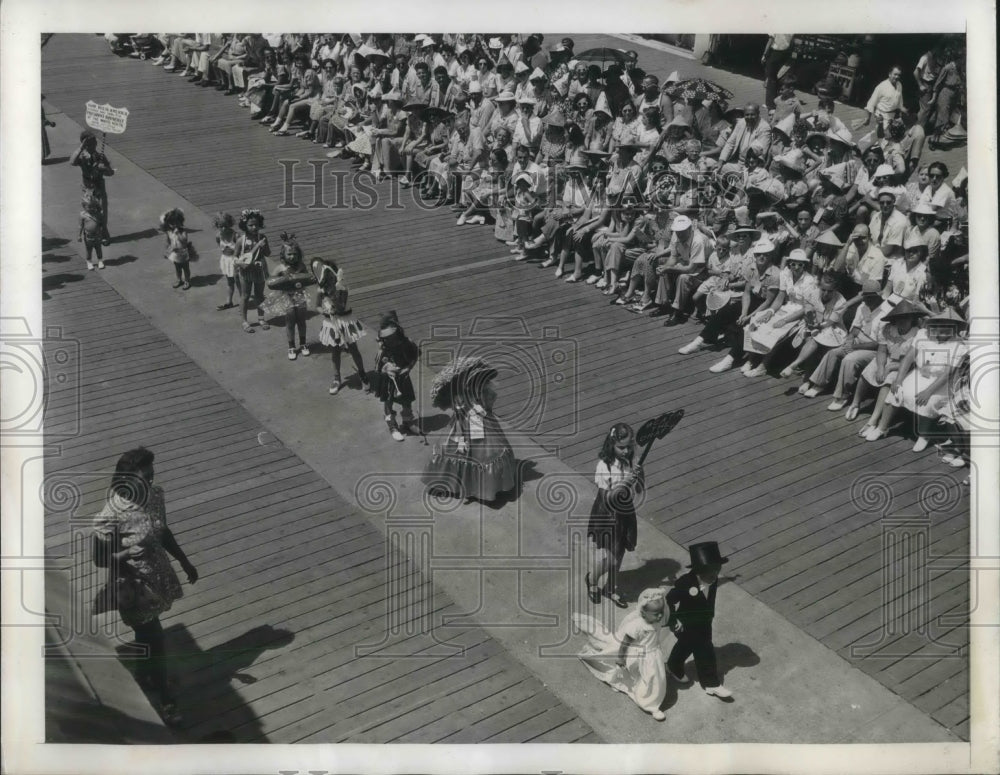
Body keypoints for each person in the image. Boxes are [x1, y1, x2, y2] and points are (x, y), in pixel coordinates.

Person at [92, 447, 198, 725]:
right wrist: (127, 554)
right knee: (157, 640)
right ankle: (166, 700)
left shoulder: (155, 496)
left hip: (159, 576)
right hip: (134, 587)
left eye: (151, 476)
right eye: (143, 479)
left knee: (148, 635)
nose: (149, 484)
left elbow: (162, 530)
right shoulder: (110, 516)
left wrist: (185, 562)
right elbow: (99, 560)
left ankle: (142, 675)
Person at [423, 356, 516, 503]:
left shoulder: (481, 390)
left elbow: (488, 403)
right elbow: (460, 420)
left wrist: (483, 407)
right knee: (464, 453)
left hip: (482, 425)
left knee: (487, 452)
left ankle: (485, 485)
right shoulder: (460, 398)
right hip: (466, 427)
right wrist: (461, 439)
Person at [572, 586, 668, 722]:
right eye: (656, 613)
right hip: (639, 655)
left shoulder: (657, 621)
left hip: (653, 654)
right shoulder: (637, 626)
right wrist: (621, 658)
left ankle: (647, 692)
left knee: (653, 676)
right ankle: (650, 704)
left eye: (661, 612)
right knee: (649, 676)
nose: (660, 616)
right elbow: (625, 644)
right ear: (644, 613)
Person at [884, 307, 968, 451]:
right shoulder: (923, 335)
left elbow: (947, 373)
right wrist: (898, 380)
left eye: (948, 326)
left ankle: (924, 435)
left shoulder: (959, 346)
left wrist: (928, 392)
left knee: (927, 401)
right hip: (919, 374)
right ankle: (882, 427)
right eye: (940, 324)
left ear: (955, 328)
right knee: (897, 390)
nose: (943, 328)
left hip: (941, 383)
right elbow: (908, 358)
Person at [586, 422, 643, 609]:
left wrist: (639, 476)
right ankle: (592, 580)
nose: (626, 451)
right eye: (621, 447)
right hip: (607, 515)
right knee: (608, 557)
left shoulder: (630, 462)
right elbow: (606, 498)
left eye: (628, 447)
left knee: (619, 554)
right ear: (611, 444)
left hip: (625, 512)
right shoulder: (604, 466)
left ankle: (610, 588)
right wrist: (624, 483)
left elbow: (639, 489)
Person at [665, 541, 732, 699]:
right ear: (699, 570)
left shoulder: (713, 579)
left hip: (704, 622)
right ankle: (711, 683)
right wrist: (674, 621)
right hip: (686, 625)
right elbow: (669, 600)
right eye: (711, 572)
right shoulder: (685, 583)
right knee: (704, 650)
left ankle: (673, 666)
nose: (715, 575)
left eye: (717, 570)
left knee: (686, 647)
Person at [849, 299, 924, 435]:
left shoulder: (917, 333)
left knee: (889, 381)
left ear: (912, 318)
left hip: (905, 366)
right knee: (868, 372)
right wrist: (881, 367)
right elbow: (882, 351)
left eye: (906, 318)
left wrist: (892, 367)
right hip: (888, 358)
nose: (902, 321)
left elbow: (913, 361)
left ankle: (873, 419)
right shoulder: (888, 329)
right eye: (899, 318)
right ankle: (855, 403)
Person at [311, 258, 369, 395]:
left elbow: (341, 306)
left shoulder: (342, 288)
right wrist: (325, 311)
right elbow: (317, 306)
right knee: (335, 351)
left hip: (345, 321)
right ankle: (336, 378)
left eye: (330, 275)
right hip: (331, 323)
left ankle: (362, 373)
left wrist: (333, 300)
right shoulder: (321, 289)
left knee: (353, 348)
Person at [373, 311, 419, 442]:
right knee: (388, 402)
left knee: (407, 400)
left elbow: (415, 355)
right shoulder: (383, 351)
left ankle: (408, 422)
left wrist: (408, 368)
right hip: (388, 381)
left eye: (392, 337)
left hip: (403, 378)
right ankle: (392, 426)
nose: (389, 340)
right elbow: (377, 368)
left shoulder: (406, 344)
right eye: (386, 338)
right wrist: (386, 370)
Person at [263, 234, 311, 360]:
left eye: (295, 254)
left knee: (301, 321)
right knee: (290, 322)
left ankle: (303, 343)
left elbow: (307, 278)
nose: (292, 256)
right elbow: (270, 281)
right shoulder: (281, 267)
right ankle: (291, 346)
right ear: (283, 255)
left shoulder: (301, 266)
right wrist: (282, 280)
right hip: (287, 297)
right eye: (289, 254)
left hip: (300, 295)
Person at [70, 130, 114, 244]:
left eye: (95, 142)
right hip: (87, 187)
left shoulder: (100, 156)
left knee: (102, 210)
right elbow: (72, 161)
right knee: (90, 210)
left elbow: (111, 173)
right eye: (92, 142)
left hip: (99, 186)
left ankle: (104, 231)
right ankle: (91, 231)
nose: (95, 145)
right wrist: (81, 147)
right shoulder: (82, 156)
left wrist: (104, 168)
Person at [234, 208, 271, 333]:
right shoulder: (240, 240)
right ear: (244, 225)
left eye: (256, 224)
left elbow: (268, 253)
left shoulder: (262, 237)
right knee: (245, 296)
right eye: (250, 225)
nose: (254, 227)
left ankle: (261, 318)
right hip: (246, 271)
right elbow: (235, 256)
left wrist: (264, 246)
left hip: (259, 269)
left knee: (260, 295)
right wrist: (240, 264)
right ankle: (245, 321)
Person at [158, 208, 196, 290]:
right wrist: (168, 251)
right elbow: (169, 241)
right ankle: (179, 280)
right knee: (177, 267)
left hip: (183, 253)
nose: (174, 225)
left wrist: (178, 233)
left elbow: (184, 241)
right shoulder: (169, 232)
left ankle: (187, 281)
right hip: (175, 253)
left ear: (180, 222)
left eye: (176, 223)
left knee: (185, 268)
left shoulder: (183, 232)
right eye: (171, 223)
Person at [862, 66, 904, 138]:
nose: (897, 77)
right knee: (881, 136)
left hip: (893, 116)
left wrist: (900, 114)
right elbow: (871, 103)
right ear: (889, 74)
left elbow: (900, 100)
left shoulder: (899, 85)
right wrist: (868, 118)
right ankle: (861, 145)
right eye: (895, 74)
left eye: (899, 75)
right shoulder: (881, 86)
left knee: (890, 135)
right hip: (881, 116)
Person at [213, 212, 239, 311]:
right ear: (217, 226)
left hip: (235, 260)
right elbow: (220, 247)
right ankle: (229, 301)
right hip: (225, 260)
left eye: (225, 226)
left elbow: (241, 250)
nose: (223, 228)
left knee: (239, 282)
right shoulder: (218, 236)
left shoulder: (235, 235)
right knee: (230, 282)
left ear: (230, 224)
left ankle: (242, 301)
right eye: (220, 226)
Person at [761, 34, 793, 110]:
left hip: (775, 53)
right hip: (785, 53)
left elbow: (770, 40)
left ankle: (770, 104)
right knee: (778, 78)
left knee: (771, 79)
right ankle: (777, 101)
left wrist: (764, 54)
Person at [78, 194, 105, 271]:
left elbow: (102, 225)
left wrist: (104, 235)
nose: (92, 208)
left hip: (97, 235)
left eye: (93, 206)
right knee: (89, 250)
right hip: (88, 236)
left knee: (98, 248)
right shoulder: (83, 215)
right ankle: (89, 261)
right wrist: (79, 235)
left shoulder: (98, 214)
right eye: (89, 207)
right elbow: (80, 226)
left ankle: (100, 260)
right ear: (84, 206)